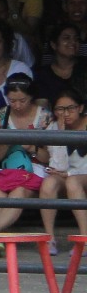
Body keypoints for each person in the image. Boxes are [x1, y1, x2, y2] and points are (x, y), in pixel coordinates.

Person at [0, 75, 53, 233]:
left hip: (34, 170)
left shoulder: (45, 117)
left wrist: (32, 148)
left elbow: (50, 158)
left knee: (19, 190)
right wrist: (7, 141)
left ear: (31, 97)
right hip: (8, 169)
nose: (17, 105)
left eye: (23, 100)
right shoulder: (1, 117)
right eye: (12, 101)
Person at [37, 89, 87, 238]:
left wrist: (69, 174)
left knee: (72, 181)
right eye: (60, 109)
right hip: (67, 176)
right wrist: (61, 132)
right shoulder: (53, 127)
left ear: (81, 108)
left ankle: (85, 238)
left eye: (70, 108)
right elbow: (57, 164)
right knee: (49, 183)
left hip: (79, 176)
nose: (65, 114)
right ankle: (49, 238)